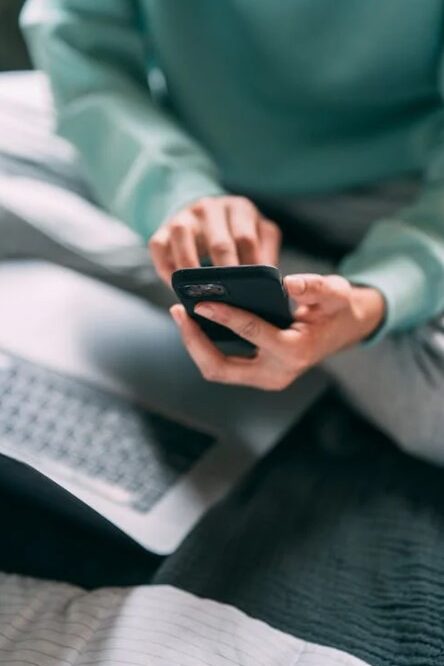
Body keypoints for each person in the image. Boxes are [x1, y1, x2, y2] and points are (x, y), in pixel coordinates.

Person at [20, 1, 444, 463]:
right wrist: (174, 194)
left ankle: (215, 283)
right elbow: (75, 34)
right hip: (175, 139)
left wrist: (375, 298)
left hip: (403, 186)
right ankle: (256, 292)